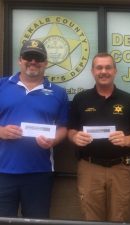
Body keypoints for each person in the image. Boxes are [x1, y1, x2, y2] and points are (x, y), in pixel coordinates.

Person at [68, 52, 130, 222]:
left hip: (120, 168)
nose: (103, 71)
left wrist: (127, 140)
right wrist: (75, 137)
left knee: (120, 217)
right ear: (92, 72)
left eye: (108, 67)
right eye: (99, 68)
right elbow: (70, 129)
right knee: (91, 217)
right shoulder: (80, 99)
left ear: (115, 71)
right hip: (89, 167)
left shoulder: (129, 100)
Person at [0, 39, 69, 218]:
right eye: (28, 57)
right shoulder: (1, 86)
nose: (33, 62)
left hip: (39, 172)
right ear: (20, 60)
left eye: (38, 58)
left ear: (45, 63)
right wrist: (1, 131)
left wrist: (54, 139)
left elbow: (63, 127)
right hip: (3, 172)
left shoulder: (58, 93)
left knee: (37, 221)